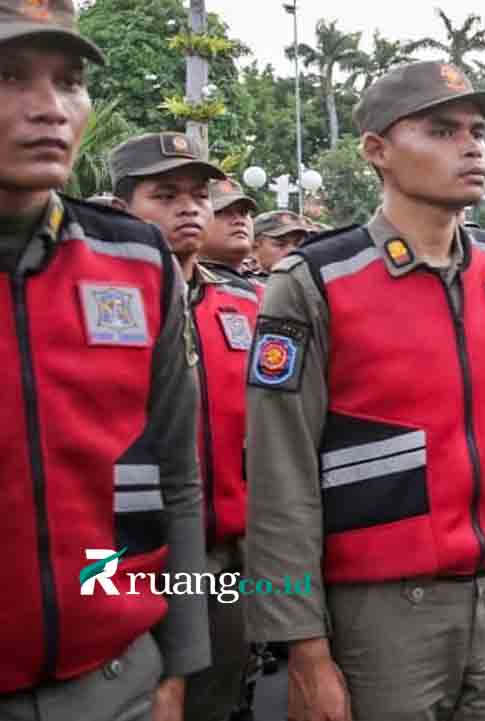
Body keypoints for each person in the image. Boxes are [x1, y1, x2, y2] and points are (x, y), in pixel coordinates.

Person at [243, 61, 485, 720]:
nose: (472, 145)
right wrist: (303, 648)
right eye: (441, 129)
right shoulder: (316, 281)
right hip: (381, 614)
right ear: (377, 150)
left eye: (477, 130)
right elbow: (279, 478)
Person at [0, 4, 209, 719]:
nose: (50, 109)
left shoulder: (134, 261)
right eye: (8, 77)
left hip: (120, 683)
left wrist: (178, 663)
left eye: (69, 81)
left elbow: (178, 478)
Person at [110, 132, 263, 721]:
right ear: (123, 208)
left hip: (225, 556)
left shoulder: (244, 305)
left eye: (199, 194)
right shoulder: (97, 303)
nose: (189, 207)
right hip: (124, 561)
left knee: (217, 699)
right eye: (165, 194)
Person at [204, 179, 258, 281]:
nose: (239, 221)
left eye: (243, 213)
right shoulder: (180, 285)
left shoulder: (265, 286)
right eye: (224, 212)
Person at [249, 209, 309, 274]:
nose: (292, 251)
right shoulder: (242, 282)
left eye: (298, 244)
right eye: (281, 244)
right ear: (255, 248)